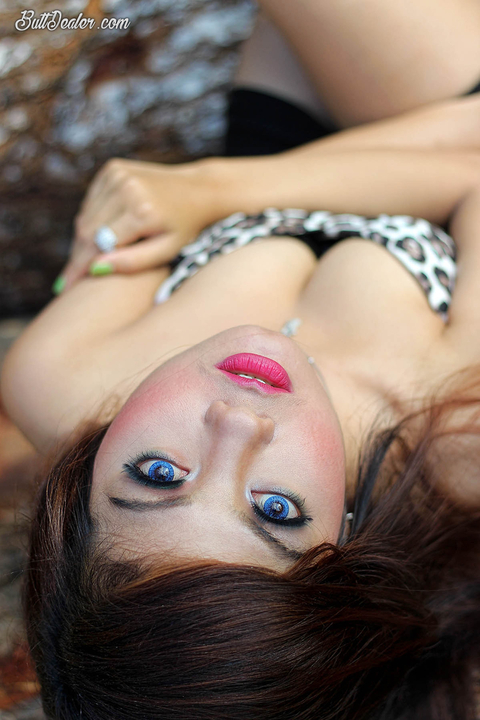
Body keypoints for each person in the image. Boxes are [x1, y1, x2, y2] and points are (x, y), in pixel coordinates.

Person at [2, 1, 480, 717]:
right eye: (276, 510)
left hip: (287, 136)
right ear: (344, 545)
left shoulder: (55, 376)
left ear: (78, 490)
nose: (237, 424)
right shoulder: (454, 438)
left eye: (158, 474)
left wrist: (217, 188)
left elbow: (134, 211)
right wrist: (213, 189)